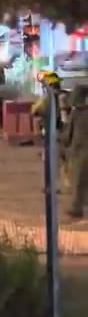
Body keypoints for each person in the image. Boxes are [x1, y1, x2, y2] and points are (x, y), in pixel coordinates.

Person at [31, 70, 71, 190]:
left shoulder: (48, 98)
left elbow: (34, 111)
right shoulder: (66, 96)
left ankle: (54, 187)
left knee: (53, 162)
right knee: (66, 160)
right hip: (67, 133)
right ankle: (70, 185)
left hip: (54, 132)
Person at [64, 84, 88, 219]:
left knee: (78, 181)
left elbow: (68, 135)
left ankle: (76, 207)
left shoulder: (76, 113)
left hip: (80, 151)